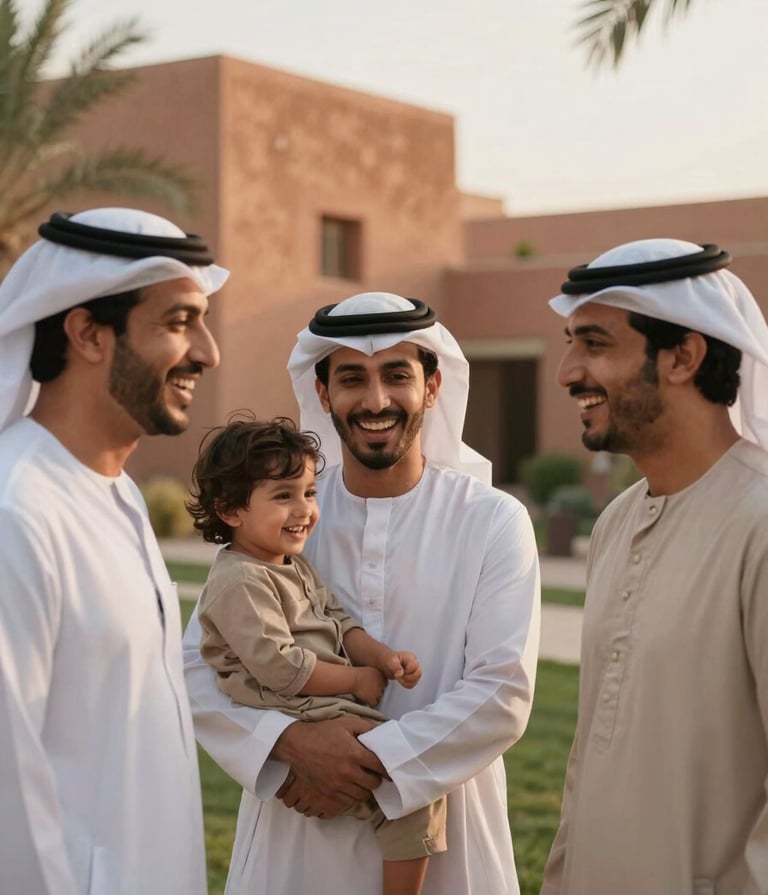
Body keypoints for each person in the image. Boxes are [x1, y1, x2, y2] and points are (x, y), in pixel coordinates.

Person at [183, 292, 541, 895]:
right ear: (323, 395)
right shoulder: (282, 512)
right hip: (296, 825)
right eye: (352, 378)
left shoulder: (492, 519)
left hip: (445, 833)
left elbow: (502, 690)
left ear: (431, 388)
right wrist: (288, 745)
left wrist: (375, 762)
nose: (375, 401)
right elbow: (199, 661)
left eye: (397, 375)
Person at [0, 207, 228, 895]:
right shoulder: (17, 510)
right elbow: (10, 793)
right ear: (88, 333)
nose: (209, 353)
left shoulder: (117, 494)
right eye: (179, 322)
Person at [540, 238, 768, 895]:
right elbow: (588, 762)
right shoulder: (616, 522)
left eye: (595, 344)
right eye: (568, 342)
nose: (567, 372)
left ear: (683, 357)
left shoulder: (757, 523)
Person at [188, 414, 446, 895]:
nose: (304, 508)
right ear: (230, 509)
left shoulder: (291, 565)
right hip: (300, 707)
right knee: (416, 785)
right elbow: (280, 668)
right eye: (283, 495)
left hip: (322, 701)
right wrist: (356, 682)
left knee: (410, 784)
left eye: (308, 492)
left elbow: (340, 623)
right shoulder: (239, 580)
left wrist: (384, 660)